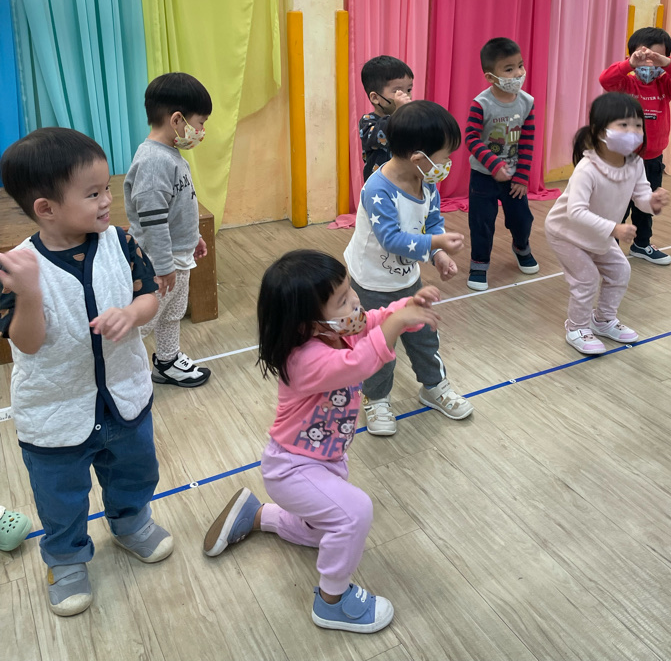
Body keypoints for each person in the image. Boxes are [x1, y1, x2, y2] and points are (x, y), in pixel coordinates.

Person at [203, 249, 439, 634]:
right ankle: (332, 601)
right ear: (305, 323)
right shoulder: (303, 359)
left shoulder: (336, 327)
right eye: (342, 299)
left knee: (321, 531)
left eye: (349, 290)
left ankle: (258, 515)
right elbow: (359, 363)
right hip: (292, 469)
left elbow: (374, 320)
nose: (355, 301)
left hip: (325, 460)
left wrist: (406, 308)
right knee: (354, 513)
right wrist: (397, 323)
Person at [0, 128, 172, 617]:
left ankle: (130, 522)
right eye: (93, 193)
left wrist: (133, 314)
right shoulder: (18, 268)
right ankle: (66, 558)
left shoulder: (120, 241)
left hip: (124, 395)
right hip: (56, 410)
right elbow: (26, 342)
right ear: (46, 209)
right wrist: (29, 292)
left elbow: (150, 295)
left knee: (135, 470)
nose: (107, 201)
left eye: (106, 189)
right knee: (61, 496)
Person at [344, 100, 473, 435]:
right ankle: (376, 399)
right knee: (379, 344)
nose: (447, 164)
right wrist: (436, 243)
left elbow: (432, 221)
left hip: (407, 280)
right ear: (419, 158)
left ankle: (434, 387)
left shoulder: (425, 181)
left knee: (424, 337)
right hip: (372, 285)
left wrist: (438, 254)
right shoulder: (378, 190)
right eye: (444, 156)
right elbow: (391, 240)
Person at [544, 93, 670, 355]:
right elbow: (576, 212)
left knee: (620, 271)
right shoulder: (587, 169)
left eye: (637, 125)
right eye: (623, 125)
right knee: (586, 279)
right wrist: (614, 229)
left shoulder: (635, 163)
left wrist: (653, 203)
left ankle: (602, 320)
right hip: (566, 233)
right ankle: (577, 328)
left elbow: (641, 196)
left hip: (598, 233)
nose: (632, 132)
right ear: (601, 131)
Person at [124, 72, 212, 388]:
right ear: (177, 120)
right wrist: (161, 267)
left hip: (177, 256)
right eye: (200, 123)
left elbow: (176, 207)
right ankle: (117, 370)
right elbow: (153, 221)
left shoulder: (169, 155)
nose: (201, 131)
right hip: (159, 262)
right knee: (146, 319)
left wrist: (194, 237)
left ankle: (167, 361)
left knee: (172, 313)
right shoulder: (153, 161)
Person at [599, 26, 671, 265]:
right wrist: (630, 64)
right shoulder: (626, 85)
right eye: (644, 56)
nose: (649, 64)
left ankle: (642, 244)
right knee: (619, 206)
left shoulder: (664, 85)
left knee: (647, 205)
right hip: (623, 160)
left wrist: (666, 63)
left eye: (656, 58)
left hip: (652, 160)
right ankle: (611, 247)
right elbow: (605, 79)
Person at [466, 37, 538, 292]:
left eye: (520, 65)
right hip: (483, 176)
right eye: (509, 69)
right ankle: (479, 264)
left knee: (522, 219)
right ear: (491, 76)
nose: (518, 73)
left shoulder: (527, 102)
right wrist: (494, 164)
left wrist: (522, 177)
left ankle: (521, 247)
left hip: (514, 179)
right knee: (481, 223)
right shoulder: (481, 104)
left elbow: (527, 141)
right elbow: (471, 138)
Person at [358, 56, 414, 182]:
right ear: (375, 98)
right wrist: (398, 113)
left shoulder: (408, 120)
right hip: (380, 184)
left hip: (404, 182)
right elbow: (378, 137)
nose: (406, 96)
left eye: (409, 90)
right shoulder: (368, 121)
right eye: (397, 91)